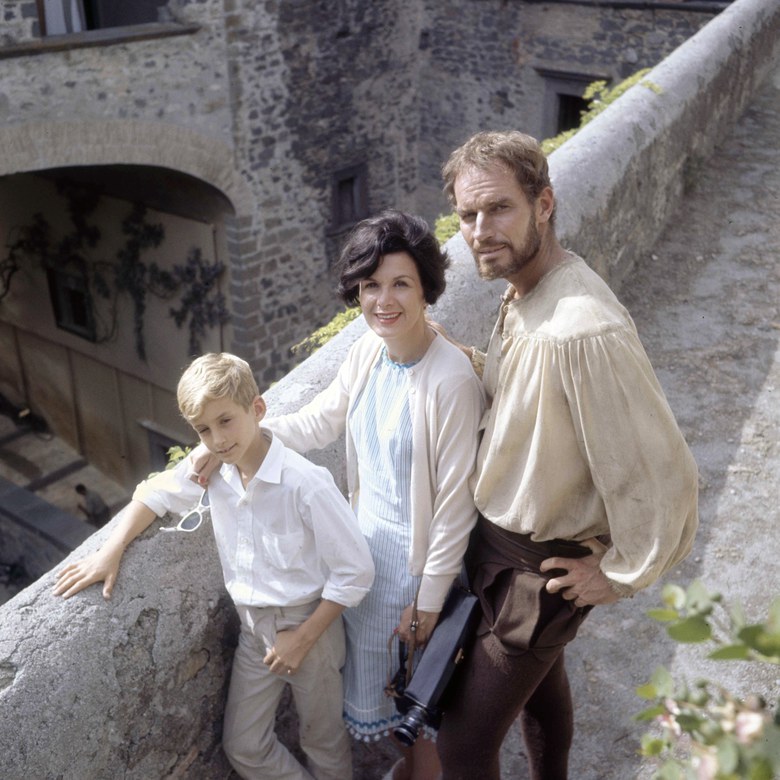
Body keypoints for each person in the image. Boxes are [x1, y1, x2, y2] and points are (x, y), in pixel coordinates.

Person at [433, 130, 699, 780]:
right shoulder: (525, 289)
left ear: (543, 203)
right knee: (541, 693)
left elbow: (664, 472)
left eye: (499, 209)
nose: (479, 230)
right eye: (468, 215)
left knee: (462, 746)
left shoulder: (585, 329)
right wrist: (455, 357)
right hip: (494, 546)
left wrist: (620, 573)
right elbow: (527, 399)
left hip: (537, 570)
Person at [191, 210, 485, 780]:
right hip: (358, 565)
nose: (383, 300)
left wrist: (427, 602)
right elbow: (319, 421)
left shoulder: (450, 380)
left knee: (418, 711)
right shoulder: (368, 352)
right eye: (371, 285)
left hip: (411, 574)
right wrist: (234, 441)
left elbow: (454, 507)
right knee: (392, 700)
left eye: (400, 282)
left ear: (427, 286)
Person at [54, 353, 375, 780]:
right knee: (243, 744)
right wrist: (110, 551)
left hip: (308, 629)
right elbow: (154, 494)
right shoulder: (213, 471)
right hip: (251, 630)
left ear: (257, 409)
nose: (218, 439)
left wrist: (302, 638)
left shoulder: (306, 484)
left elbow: (356, 572)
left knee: (323, 740)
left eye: (226, 421)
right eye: (203, 429)